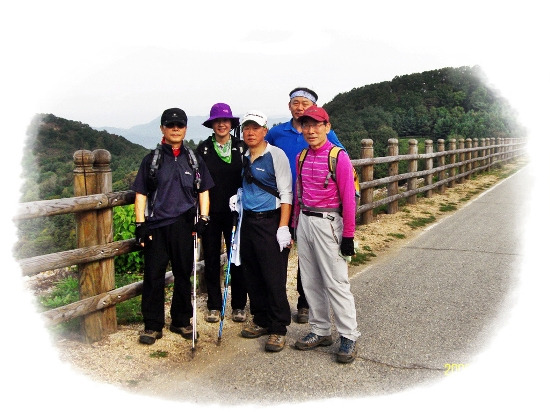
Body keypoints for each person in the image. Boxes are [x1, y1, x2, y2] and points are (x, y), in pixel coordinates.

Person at [132, 107, 215, 345]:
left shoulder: (194, 159)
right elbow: (141, 193)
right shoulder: (151, 160)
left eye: (180, 125)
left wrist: (204, 218)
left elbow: (204, 190)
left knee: (183, 274)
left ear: (185, 128)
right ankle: (152, 325)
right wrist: (140, 224)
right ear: (162, 128)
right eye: (170, 125)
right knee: (153, 275)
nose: (175, 129)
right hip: (156, 226)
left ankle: (181, 320)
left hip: (184, 225)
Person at [265, 86, 345, 324]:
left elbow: (341, 158)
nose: (300, 108)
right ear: (289, 106)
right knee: (278, 252)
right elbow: (261, 152)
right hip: (280, 201)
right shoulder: (277, 133)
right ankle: (276, 302)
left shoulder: (323, 131)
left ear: (314, 108)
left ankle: (304, 303)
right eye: (295, 103)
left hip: (309, 204)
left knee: (306, 256)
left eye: (305, 104)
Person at [292, 106, 360, 363]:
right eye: (306, 125)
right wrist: (295, 225)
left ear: (327, 127)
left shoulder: (338, 156)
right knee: (310, 280)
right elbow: (299, 193)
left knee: (336, 281)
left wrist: (348, 235)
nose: (311, 130)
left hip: (329, 222)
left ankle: (348, 335)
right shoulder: (301, 157)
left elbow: (349, 198)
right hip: (306, 221)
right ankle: (320, 329)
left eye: (316, 125)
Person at [232, 110, 293, 353]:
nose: (250, 132)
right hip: (248, 221)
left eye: (255, 128)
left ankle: (279, 327)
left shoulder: (276, 155)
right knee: (253, 273)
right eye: (246, 128)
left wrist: (283, 227)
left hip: (270, 221)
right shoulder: (244, 156)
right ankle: (261, 319)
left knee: (273, 276)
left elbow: (286, 192)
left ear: (264, 131)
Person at [196, 103, 248, 323]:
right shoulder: (203, 149)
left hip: (236, 212)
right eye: (217, 121)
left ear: (231, 124)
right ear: (212, 124)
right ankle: (214, 305)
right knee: (210, 258)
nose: (221, 124)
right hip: (211, 212)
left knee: (237, 259)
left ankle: (239, 305)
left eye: (225, 120)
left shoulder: (241, 147)